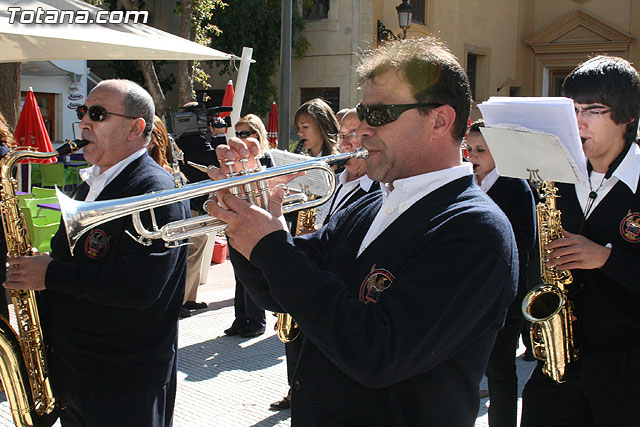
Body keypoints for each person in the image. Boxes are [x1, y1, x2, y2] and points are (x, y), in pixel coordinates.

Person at [206, 37, 518, 426]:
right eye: (364, 113)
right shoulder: (373, 203)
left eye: (380, 113)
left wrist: (270, 246)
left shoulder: (476, 231)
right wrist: (245, 218)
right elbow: (276, 290)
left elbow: (377, 354)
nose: (362, 130)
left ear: (440, 121)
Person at [3, 79, 189, 426]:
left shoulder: (154, 191)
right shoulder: (91, 183)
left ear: (136, 128)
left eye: (98, 114)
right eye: (82, 111)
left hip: (122, 382)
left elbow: (139, 288)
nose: (84, 122)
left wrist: (50, 274)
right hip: (79, 372)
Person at [521, 55, 640, 426]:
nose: (578, 122)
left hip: (627, 375)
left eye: (594, 110)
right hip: (559, 365)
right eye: (572, 110)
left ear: (628, 116)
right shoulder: (555, 178)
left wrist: (606, 259)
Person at [466, 119, 536, 427]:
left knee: (500, 371)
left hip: (504, 295)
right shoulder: (467, 182)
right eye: (468, 148)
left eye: (481, 150)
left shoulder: (514, 185)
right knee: (468, 369)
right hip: (470, 293)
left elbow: (524, 240)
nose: (472, 156)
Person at [174, 103, 225, 317]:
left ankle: (190, 298)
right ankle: (180, 302)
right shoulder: (194, 141)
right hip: (196, 206)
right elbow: (220, 161)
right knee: (192, 253)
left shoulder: (184, 140)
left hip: (196, 204)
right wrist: (219, 137)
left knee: (196, 253)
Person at [223, 114, 269, 338]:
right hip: (236, 220)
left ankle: (257, 320)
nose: (240, 138)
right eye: (238, 133)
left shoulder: (267, 160)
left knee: (253, 273)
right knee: (239, 273)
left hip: (257, 223)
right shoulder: (234, 163)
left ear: (258, 135)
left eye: (245, 133)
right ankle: (241, 318)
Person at [315, 108, 380, 227]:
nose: (345, 145)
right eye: (342, 136)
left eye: (353, 135)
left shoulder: (380, 191)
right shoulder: (333, 181)